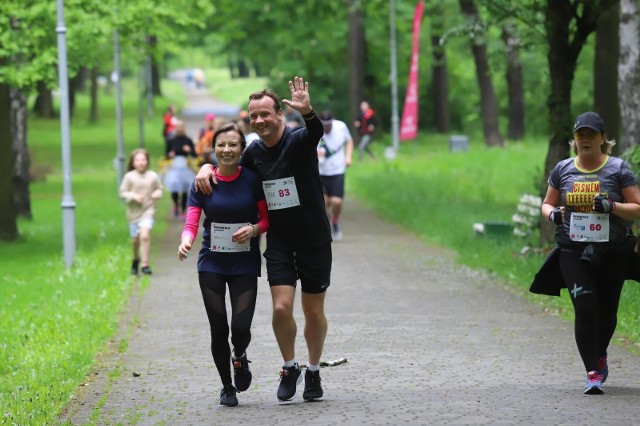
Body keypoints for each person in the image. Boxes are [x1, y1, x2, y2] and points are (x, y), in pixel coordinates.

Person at [195, 76, 331, 402]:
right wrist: (205, 168)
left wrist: (309, 111)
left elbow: (315, 132)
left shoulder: (298, 140)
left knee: (313, 311)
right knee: (282, 308)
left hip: (313, 238)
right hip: (280, 240)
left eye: (265, 114)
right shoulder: (253, 153)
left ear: (279, 115)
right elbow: (227, 170)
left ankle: (313, 371)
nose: (259, 120)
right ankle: (290, 366)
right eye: (253, 115)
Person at [531, 111, 640, 395]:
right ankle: (592, 371)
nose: (586, 140)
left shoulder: (618, 169)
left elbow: (637, 207)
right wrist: (553, 214)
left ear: (603, 139)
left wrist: (612, 207)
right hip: (572, 248)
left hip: (612, 250)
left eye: (592, 135)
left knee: (607, 312)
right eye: (581, 135)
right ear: (574, 141)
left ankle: (599, 353)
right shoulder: (563, 169)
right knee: (585, 306)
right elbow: (546, 204)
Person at [178, 122, 269, 407]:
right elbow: (192, 220)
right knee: (219, 328)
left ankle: (239, 356)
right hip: (212, 264)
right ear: (213, 148)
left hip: (244, 262)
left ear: (242, 149)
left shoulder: (252, 180)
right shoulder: (203, 182)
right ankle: (227, 386)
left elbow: (268, 219)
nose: (227, 150)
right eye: (221, 145)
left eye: (233, 145)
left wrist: (254, 230)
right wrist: (186, 239)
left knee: (240, 328)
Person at [119, 149, 163, 275]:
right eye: (137, 160)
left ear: (147, 161)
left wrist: (156, 194)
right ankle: (135, 258)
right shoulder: (129, 177)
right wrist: (133, 196)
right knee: (135, 239)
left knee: (144, 235)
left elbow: (159, 189)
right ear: (133, 163)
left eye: (143, 159)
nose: (141, 162)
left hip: (148, 210)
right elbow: (122, 192)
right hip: (133, 213)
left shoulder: (153, 176)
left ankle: (144, 264)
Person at [317, 111, 353, 241]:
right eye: (324, 125)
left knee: (337, 201)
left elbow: (349, 141)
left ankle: (335, 222)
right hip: (321, 172)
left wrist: (348, 157)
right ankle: (326, 226)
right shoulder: (314, 129)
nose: (327, 127)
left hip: (337, 170)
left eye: (329, 124)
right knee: (324, 203)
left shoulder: (341, 126)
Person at [165, 120, 197, 219]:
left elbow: (195, 155)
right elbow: (166, 154)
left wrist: (189, 151)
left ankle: (183, 211)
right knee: (174, 186)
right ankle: (176, 204)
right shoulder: (171, 140)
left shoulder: (188, 140)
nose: (179, 129)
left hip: (185, 167)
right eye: (178, 127)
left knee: (184, 189)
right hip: (174, 167)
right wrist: (169, 155)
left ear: (184, 128)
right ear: (175, 128)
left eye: (181, 127)